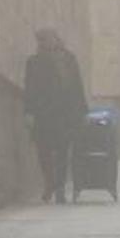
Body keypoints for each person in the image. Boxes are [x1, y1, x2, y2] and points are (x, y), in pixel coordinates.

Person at [22, 28, 89, 204]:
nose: (44, 43)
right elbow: (29, 89)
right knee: (42, 151)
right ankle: (49, 183)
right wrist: (28, 112)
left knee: (62, 152)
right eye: (41, 40)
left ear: (56, 39)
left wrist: (82, 111)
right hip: (43, 115)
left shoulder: (68, 59)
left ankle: (59, 188)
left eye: (47, 39)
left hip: (65, 115)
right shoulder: (33, 62)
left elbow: (77, 86)